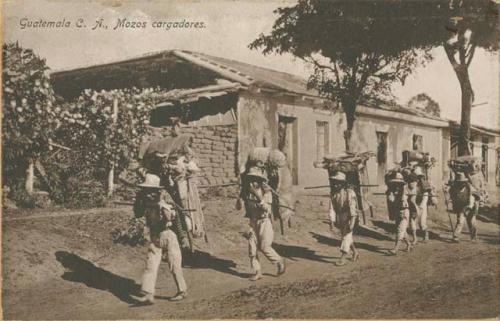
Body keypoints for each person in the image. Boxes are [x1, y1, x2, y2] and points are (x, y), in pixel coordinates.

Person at [131, 174, 187, 304]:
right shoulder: (144, 199)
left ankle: (182, 290)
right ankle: (148, 294)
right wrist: (138, 201)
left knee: (174, 264)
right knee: (151, 264)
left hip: (168, 234)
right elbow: (138, 213)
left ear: (156, 189)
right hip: (154, 235)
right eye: (146, 189)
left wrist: (161, 204)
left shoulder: (165, 197)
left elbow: (173, 218)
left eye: (150, 189)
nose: (147, 192)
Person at [238, 166, 285, 281]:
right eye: (250, 179)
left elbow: (266, 209)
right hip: (253, 222)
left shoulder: (266, 193)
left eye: (255, 179)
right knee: (252, 248)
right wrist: (239, 199)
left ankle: (279, 260)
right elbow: (239, 207)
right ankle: (257, 271)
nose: (252, 182)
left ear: (260, 181)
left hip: (264, 222)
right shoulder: (247, 193)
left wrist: (257, 196)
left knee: (264, 247)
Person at [329, 171, 359, 266]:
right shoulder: (334, 195)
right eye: (335, 182)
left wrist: (353, 222)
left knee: (346, 236)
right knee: (346, 236)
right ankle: (355, 251)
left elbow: (353, 208)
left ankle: (343, 257)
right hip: (340, 217)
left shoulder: (349, 193)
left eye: (338, 182)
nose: (336, 184)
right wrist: (332, 221)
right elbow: (332, 208)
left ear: (343, 183)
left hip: (349, 216)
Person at [386, 172, 412, 255]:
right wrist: (391, 193)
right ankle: (409, 244)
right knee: (402, 230)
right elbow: (391, 201)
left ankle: (395, 249)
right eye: (395, 183)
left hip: (404, 211)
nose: (397, 184)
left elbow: (404, 198)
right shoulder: (393, 190)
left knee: (399, 230)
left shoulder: (405, 190)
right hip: (397, 211)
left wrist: (397, 194)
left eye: (398, 183)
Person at [408, 166, 434, 244]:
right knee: (412, 220)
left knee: (422, 222)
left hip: (421, 205)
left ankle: (425, 235)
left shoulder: (425, 184)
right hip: (413, 204)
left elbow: (425, 197)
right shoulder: (411, 184)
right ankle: (414, 238)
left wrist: (421, 206)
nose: (417, 179)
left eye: (419, 177)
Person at [449, 172, 478, 242]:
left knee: (472, 222)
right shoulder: (455, 188)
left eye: (463, 182)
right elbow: (452, 195)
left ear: (465, 182)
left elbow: (472, 198)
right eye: (460, 182)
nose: (461, 184)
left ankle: (473, 237)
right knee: (460, 221)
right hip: (461, 206)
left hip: (471, 206)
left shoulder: (470, 188)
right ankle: (455, 236)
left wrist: (469, 207)